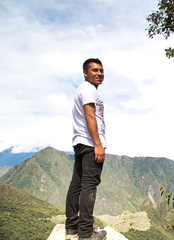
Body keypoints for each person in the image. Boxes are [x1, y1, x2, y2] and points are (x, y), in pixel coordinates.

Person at [65, 58, 107, 240]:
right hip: (90, 144)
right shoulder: (88, 89)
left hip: (81, 142)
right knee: (89, 187)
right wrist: (98, 144)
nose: (99, 74)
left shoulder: (82, 90)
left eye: (101, 71)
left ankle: (72, 228)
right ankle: (86, 233)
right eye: (95, 70)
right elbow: (90, 116)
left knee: (77, 185)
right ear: (85, 73)